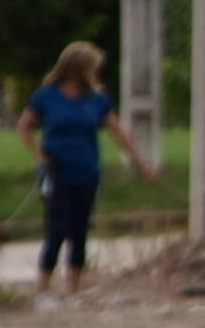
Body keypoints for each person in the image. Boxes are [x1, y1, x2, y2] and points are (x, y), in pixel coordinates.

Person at [15, 42, 157, 296]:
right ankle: (44, 287)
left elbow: (120, 134)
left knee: (79, 229)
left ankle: (73, 288)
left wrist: (141, 163)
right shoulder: (47, 96)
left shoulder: (97, 100)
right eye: (91, 68)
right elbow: (24, 126)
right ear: (78, 68)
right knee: (56, 228)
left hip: (87, 172)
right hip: (57, 171)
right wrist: (39, 155)